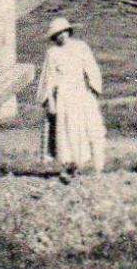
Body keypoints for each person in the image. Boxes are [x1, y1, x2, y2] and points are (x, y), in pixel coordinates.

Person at [36, 17, 106, 179]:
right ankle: (67, 165)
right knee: (64, 130)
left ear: (69, 31)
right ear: (54, 37)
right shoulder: (52, 53)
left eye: (63, 32)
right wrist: (50, 102)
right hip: (63, 96)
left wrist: (94, 88)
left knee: (84, 128)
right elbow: (49, 78)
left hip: (80, 93)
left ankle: (89, 164)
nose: (62, 36)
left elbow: (91, 68)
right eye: (57, 34)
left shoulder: (81, 47)